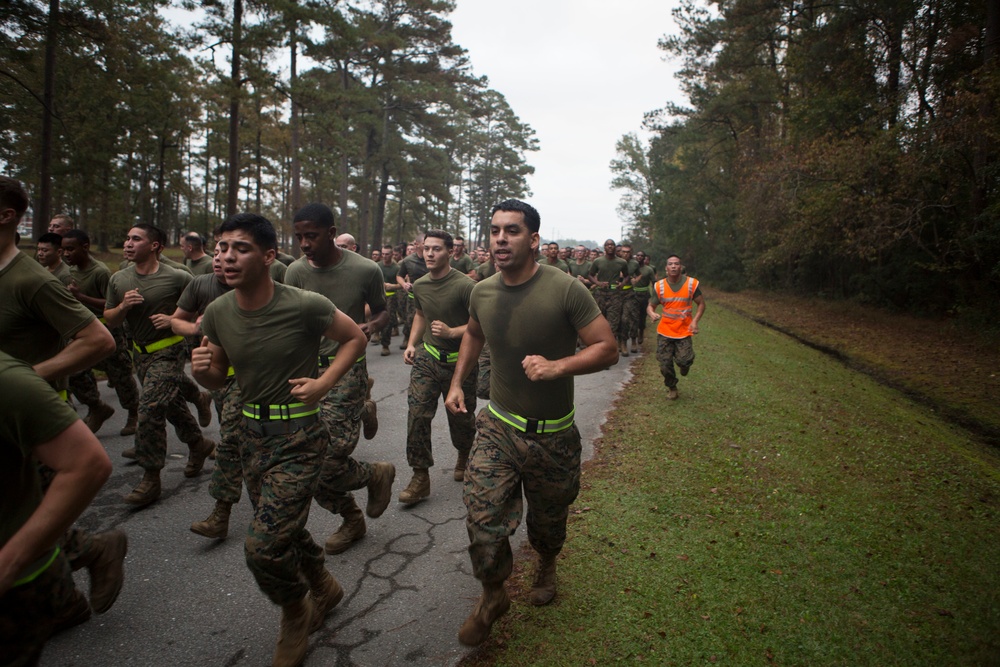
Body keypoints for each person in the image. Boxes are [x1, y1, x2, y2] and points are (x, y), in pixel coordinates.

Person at [192, 212, 366, 666]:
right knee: (284, 530)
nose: (227, 257)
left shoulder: (305, 304)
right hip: (251, 435)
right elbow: (218, 376)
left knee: (263, 547)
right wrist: (204, 372)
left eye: (241, 248)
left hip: (300, 437)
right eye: (222, 248)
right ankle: (325, 587)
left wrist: (324, 384)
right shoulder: (217, 311)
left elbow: (354, 339)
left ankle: (295, 610)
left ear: (269, 256)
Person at [445, 199, 618, 646]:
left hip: (554, 436)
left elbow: (607, 348)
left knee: (548, 522)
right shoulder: (481, 290)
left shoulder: (565, 289)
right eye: (495, 230)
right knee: (482, 518)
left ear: (534, 239)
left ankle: (546, 562)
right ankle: (492, 594)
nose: (501, 239)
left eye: (512, 231)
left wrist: (558, 367)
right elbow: (476, 334)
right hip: (498, 427)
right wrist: (457, 382)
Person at [1, 177, 125, 633]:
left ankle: (91, 551)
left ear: (7, 216)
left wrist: (26, 379)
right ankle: (63, 599)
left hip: (32, 419)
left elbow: (98, 339)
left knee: (26, 518)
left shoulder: (30, 280)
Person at [286, 203, 395, 555]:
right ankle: (351, 517)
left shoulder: (365, 269)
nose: (304, 243)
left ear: (331, 233)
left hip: (346, 367)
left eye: (311, 236)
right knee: (306, 460)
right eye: (299, 236)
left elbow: (382, 310)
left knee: (328, 458)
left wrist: (371, 326)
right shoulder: (295, 272)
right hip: (306, 371)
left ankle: (373, 472)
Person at [0, 351, 114, 666]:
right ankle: (77, 575)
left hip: (17, 588)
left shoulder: (6, 379)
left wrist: (7, 565)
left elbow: (100, 338)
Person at [104, 223, 216, 507]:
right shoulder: (119, 279)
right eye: (127, 238)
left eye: (136, 239)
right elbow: (111, 319)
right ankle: (198, 444)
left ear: (155, 246)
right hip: (139, 354)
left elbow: (202, 309)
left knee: (151, 406)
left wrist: (175, 321)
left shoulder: (178, 276)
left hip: (169, 350)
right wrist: (123, 307)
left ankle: (150, 477)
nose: (128, 243)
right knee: (172, 407)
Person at [400, 229, 477, 505]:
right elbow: (421, 314)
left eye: (437, 249)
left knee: (462, 420)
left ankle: (465, 453)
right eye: (426, 248)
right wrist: (412, 343)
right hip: (428, 359)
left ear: (449, 252)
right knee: (418, 414)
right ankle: (420, 477)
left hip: (461, 364)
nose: (430, 253)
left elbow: (479, 326)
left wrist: (451, 332)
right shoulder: (420, 285)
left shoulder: (465, 286)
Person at [62, 230, 140, 435]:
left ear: (85, 247)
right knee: (74, 371)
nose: (66, 254)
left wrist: (80, 296)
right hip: (83, 330)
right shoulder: (70, 271)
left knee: (120, 374)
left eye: (71, 249)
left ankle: (134, 414)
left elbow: (111, 302)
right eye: (63, 250)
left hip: (108, 328)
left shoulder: (100, 272)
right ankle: (96, 407)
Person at [647, 254, 705, 400]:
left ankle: (685, 365)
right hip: (665, 330)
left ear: (681, 267)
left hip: (684, 330)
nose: (673, 266)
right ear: (666, 268)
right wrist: (652, 314)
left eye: (676, 264)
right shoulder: (659, 286)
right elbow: (651, 306)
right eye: (670, 264)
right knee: (664, 363)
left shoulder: (691, 284)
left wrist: (695, 321)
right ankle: (672, 387)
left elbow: (701, 304)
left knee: (684, 360)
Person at [588, 239, 629, 357]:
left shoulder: (621, 262)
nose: (610, 247)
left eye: (612, 245)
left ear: (615, 248)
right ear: (604, 247)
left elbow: (627, 276)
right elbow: (590, 275)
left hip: (615, 295)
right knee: (599, 322)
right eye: (608, 245)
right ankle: (598, 349)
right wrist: (598, 283)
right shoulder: (598, 261)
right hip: (600, 293)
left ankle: (609, 352)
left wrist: (622, 284)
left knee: (613, 324)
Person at [396, 233, 428, 350]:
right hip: (413, 297)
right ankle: (410, 340)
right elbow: (399, 276)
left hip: (430, 296)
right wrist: (404, 284)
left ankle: (424, 345)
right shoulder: (408, 261)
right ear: (417, 245)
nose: (428, 247)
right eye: (425, 244)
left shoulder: (432, 258)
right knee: (410, 321)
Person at [630, 250, 655, 351]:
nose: (639, 257)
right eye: (638, 255)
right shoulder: (631, 268)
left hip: (644, 295)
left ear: (644, 258)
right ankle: (633, 341)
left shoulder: (649, 269)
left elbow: (654, 282)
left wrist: (654, 296)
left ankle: (641, 332)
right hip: (633, 295)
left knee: (642, 317)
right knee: (633, 318)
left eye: (641, 256)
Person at [378, 243, 400, 357]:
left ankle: (385, 345)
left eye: (387, 254)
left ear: (392, 255)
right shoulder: (377, 266)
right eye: (383, 254)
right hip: (378, 296)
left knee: (388, 320)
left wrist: (393, 286)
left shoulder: (396, 268)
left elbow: (401, 284)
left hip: (391, 297)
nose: (384, 256)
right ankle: (376, 334)